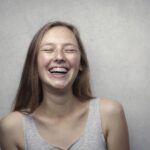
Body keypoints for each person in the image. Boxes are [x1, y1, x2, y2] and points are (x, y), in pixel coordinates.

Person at [0, 21, 130, 150]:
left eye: (69, 50)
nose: (59, 57)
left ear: (81, 64)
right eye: (48, 49)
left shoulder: (109, 114)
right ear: (34, 63)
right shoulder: (11, 127)